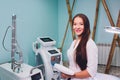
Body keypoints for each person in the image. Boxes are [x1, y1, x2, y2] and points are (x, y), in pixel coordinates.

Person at [61, 13, 120, 80]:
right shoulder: (74, 42)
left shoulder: (90, 44)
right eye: (75, 24)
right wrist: (67, 74)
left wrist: (71, 75)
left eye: (81, 24)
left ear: (86, 26)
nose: (77, 27)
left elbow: (91, 72)